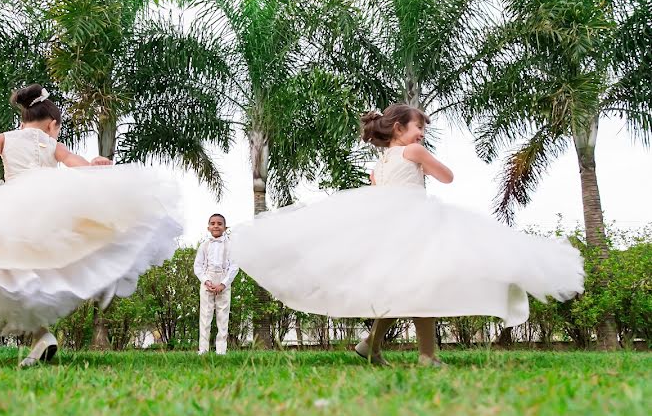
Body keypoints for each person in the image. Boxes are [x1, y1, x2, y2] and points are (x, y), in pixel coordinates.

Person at [230, 103, 584, 365]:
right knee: (421, 285)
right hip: (416, 224)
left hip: (389, 230)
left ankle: (373, 344)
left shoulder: (378, 164)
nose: (421, 136)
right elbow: (447, 177)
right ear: (400, 128)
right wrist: (426, 161)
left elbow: (380, 195)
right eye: (419, 129)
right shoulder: (413, 151)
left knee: (406, 287)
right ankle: (426, 355)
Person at [0, 84, 182, 367]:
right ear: (52, 123)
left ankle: (41, 336)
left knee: (9, 273)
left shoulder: (5, 138)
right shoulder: (54, 145)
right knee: (38, 271)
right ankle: (41, 336)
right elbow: (82, 167)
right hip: (48, 208)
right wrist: (98, 164)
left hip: (11, 206)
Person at [194, 213, 239, 355]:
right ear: (208, 227)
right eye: (213, 223)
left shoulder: (231, 245)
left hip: (223, 281)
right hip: (207, 281)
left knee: (222, 316)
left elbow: (234, 266)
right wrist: (206, 281)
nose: (216, 226)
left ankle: (221, 350)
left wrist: (223, 284)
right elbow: (198, 266)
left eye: (219, 223)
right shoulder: (204, 245)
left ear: (225, 227)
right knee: (205, 316)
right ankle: (203, 350)